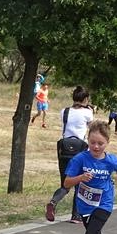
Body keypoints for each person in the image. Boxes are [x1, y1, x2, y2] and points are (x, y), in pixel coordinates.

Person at [44, 86, 94, 224]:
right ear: (85, 99)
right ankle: (76, 215)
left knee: (65, 184)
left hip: (64, 149)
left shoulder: (64, 111)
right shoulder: (87, 113)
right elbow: (91, 128)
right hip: (80, 149)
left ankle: (53, 202)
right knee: (80, 182)